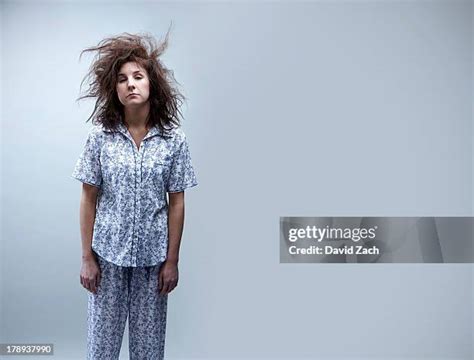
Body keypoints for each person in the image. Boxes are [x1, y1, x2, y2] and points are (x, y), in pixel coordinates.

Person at [71, 30, 198, 360]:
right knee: (101, 350)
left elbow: (178, 202)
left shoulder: (174, 140)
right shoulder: (100, 137)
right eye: (123, 79)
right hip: (107, 258)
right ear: (114, 90)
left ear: (151, 84)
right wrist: (87, 257)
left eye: (138, 77)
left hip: (152, 264)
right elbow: (88, 197)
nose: (131, 83)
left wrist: (172, 261)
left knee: (149, 351)